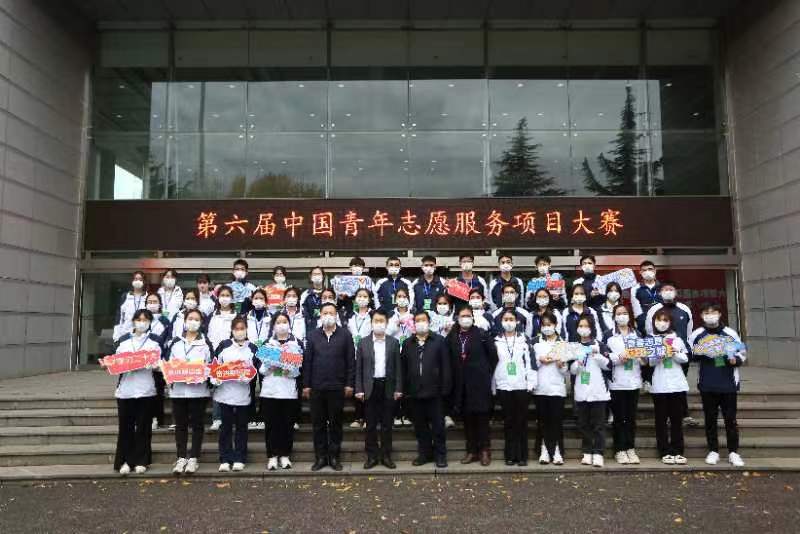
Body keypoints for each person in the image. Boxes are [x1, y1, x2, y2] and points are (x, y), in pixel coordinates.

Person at [689, 305, 746, 467]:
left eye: (713, 312)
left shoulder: (730, 333)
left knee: (730, 420)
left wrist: (735, 359)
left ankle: (733, 452)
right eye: (706, 313)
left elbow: (742, 352)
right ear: (701, 315)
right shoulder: (697, 334)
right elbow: (689, 353)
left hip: (728, 383)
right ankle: (713, 450)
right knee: (710, 419)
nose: (710, 315)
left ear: (720, 314)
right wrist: (701, 352)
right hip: (707, 383)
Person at [302, 302, 355, 471]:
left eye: (331, 312)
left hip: (337, 387)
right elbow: (307, 362)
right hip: (317, 387)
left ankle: (334, 457)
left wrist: (349, 384)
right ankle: (320, 457)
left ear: (336, 315)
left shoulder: (345, 335)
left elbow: (350, 361)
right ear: (320, 315)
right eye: (325, 313)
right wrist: (306, 385)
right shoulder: (312, 336)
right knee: (318, 424)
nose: (328, 316)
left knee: (335, 424)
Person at [164, 309, 214, 475]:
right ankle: (181, 457)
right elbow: (167, 364)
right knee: (180, 425)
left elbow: (211, 366)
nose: (193, 322)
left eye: (196, 319)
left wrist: (201, 372)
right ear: (185, 321)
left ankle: (193, 457)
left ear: (201, 323)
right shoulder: (175, 342)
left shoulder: (206, 343)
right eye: (190, 318)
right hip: (178, 391)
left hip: (198, 391)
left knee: (198, 425)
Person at [447, 306, 498, 466]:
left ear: (473, 318)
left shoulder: (481, 334)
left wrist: (484, 372)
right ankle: (471, 451)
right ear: (457, 318)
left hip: (479, 384)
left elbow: (493, 356)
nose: (465, 318)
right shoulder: (452, 336)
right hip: (461, 386)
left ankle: (484, 450)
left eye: (468, 315)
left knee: (482, 418)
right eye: (462, 316)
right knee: (468, 419)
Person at [113, 309, 161, 476]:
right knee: (125, 428)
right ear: (133, 321)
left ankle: (142, 460)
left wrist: (154, 365)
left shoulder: (154, 342)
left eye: (145, 320)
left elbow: (159, 364)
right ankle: (125, 461)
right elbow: (116, 362)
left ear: (150, 323)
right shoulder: (124, 341)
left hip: (146, 390)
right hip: (125, 391)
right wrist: (110, 365)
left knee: (143, 427)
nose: (142, 323)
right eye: (139, 319)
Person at [402, 311, 451, 468]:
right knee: (420, 427)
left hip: (435, 392)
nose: (420, 323)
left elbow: (446, 366)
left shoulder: (439, 341)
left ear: (429, 322)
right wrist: (405, 390)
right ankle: (424, 454)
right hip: (415, 392)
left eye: (423, 320)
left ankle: (440, 455)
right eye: (417, 320)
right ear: (414, 324)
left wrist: (445, 389)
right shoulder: (408, 343)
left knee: (438, 426)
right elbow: (404, 368)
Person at [355, 310, 403, 469]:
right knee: (370, 425)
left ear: (387, 323)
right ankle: (372, 456)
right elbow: (359, 368)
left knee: (387, 424)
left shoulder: (394, 342)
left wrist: (398, 388)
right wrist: (359, 388)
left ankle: (386, 455)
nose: (379, 324)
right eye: (376, 321)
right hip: (370, 387)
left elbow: (398, 368)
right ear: (371, 323)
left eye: (382, 321)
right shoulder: (363, 343)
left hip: (388, 387)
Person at [645, 281, 695, 425]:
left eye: (671, 289)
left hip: (679, 352)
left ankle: (683, 414)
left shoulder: (684, 309)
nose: (668, 292)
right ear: (660, 293)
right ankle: (665, 415)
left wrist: (682, 349)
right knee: (662, 383)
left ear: (676, 292)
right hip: (659, 355)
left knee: (679, 383)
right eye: (665, 289)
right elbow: (649, 330)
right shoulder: (654, 309)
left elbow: (689, 331)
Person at [212, 317, 258, 472]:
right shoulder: (223, 346)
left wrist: (249, 377)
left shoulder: (252, 348)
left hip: (243, 395)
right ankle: (225, 458)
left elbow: (256, 369)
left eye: (242, 328)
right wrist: (215, 379)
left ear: (246, 330)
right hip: (224, 394)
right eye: (236, 328)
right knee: (225, 427)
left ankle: (239, 457)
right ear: (232, 330)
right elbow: (214, 366)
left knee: (241, 428)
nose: (239, 331)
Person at [648, 309, 690, 465]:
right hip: (659, 385)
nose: (662, 323)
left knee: (676, 420)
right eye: (659, 320)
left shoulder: (677, 339)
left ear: (670, 322)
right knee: (661, 420)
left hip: (677, 385)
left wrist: (674, 353)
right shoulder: (650, 339)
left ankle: (678, 450)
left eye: (665, 320)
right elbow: (649, 362)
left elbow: (685, 358)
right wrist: (659, 355)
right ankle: (664, 451)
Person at [493, 309, 536, 466]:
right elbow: (493, 363)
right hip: (504, 386)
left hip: (521, 385)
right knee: (509, 421)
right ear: (501, 322)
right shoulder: (496, 340)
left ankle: (522, 455)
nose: (509, 322)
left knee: (521, 421)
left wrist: (531, 382)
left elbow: (531, 362)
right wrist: (493, 385)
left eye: (511, 319)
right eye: (506, 319)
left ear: (517, 321)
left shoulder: (524, 340)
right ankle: (510, 454)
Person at [261, 312, 303, 470]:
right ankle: (272, 456)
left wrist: (290, 371)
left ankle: (285, 455)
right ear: (273, 325)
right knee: (271, 425)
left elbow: (299, 369)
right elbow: (260, 369)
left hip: (288, 391)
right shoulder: (267, 344)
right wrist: (269, 367)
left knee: (287, 425)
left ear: (289, 324)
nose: (281, 325)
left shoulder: (296, 343)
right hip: (270, 391)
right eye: (278, 322)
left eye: (284, 321)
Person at [569, 315, 611, 468]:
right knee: (584, 424)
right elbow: (571, 370)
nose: (583, 329)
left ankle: (598, 453)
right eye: (580, 326)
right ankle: (587, 452)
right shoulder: (574, 347)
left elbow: (609, 365)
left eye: (586, 326)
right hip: (581, 391)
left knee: (598, 425)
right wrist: (578, 363)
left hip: (598, 391)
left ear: (592, 328)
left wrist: (597, 355)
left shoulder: (600, 345)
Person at [606, 304, 642, 464]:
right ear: (614, 317)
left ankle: (630, 448)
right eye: (619, 313)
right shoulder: (608, 335)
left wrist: (640, 356)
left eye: (625, 313)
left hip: (634, 381)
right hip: (617, 382)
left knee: (631, 418)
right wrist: (618, 357)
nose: (622, 316)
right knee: (619, 418)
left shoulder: (637, 334)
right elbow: (605, 356)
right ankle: (619, 449)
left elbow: (644, 355)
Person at [532, 311, 568, 465]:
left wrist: (561, 364)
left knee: (556, 421)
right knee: (543, 421)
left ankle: (557, 450)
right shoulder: (536, 343)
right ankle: (544, 450)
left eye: (549, 324)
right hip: (541, 388)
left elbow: (565, 371)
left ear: (555, 325)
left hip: (557, 389)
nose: (547, 327)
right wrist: (540, 360)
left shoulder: (562, 343)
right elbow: (532, 365)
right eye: (544, 325)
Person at [206, 285, 237, 432]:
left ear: (232, 298)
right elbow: (208, 335)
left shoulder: (237, 316)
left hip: (233, 354)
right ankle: (217, 418)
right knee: (218, 386)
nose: (224, 298)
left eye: (227, 295)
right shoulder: (212, 316)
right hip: (216, 355)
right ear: (217, 298)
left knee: (233, 387)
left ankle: (233, 418)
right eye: (222, 295)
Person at [386, 287, 415, 428]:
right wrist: (395, 325)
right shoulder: (390, 315)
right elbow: (385, 333)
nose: (402, 299)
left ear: (408, 298)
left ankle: (407, 414)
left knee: (408, 384)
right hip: (394, 353)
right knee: (395, 384)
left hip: (410, 353)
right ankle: (396, 414)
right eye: (399, 296)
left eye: (404, 296)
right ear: (395, 299)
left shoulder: (413, 314)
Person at [347, 288, 373, 429]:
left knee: (368, 386)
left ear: (369, 299)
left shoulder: (373, 315)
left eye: (365, 296)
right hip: (353, 354)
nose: (362, 299)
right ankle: (358, 417)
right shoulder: (351, 315)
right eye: (359, 296)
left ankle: (369, 417)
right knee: (357, 386)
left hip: (369, 354)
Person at [113, 271, 148, 342]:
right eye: (136, 279)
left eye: (140, 279)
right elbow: (119, 316)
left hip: (143, 335)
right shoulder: (125, 296)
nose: (138, 281)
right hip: (126, 334)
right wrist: (116, 335)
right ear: (132, 281)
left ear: (144, 282)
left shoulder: (148, 297)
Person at [631, 260, 662, 334]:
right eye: (644, 270)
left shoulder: (663, 287)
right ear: (640, 272)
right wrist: (645, 328)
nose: (647, 272)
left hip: (663, 324)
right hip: (644, 327)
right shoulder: (635, 289)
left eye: (650, 269)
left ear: (655, 271)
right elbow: (637, 311)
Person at [300, 266, 327, 333]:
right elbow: (302, 311)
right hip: (311, 329)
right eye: (314, 274)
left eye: (319, 274)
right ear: (311, 277)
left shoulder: (328, 293)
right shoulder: (305, 294)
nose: (317, 276)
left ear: (323, 276)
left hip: (327, 327)